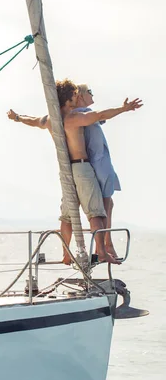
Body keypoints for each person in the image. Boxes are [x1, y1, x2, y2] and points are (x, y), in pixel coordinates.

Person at [7, 79, 143, 264]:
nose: (77, 96)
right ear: (69, 98)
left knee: (67, 215)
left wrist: (16, 117)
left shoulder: (49, 120)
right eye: (74, 94)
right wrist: (123, 108)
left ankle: (66, 254)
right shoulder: (73, 119)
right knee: (96, 213)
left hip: (65, 170)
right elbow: (100, 114)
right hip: (81, 167)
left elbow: (32, 121)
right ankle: (102, 252)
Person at [73, 84, 120, 258]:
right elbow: (100, 116)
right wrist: (125, 108)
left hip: (99, 162)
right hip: (100, 163)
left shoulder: (80, 114)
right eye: (89, 92)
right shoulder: (82, 114)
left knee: (107, 205)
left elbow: (100, 119)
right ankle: (107, 245)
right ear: (80, 96)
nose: (93, 94)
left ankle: (105, 244)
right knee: (105, 205)